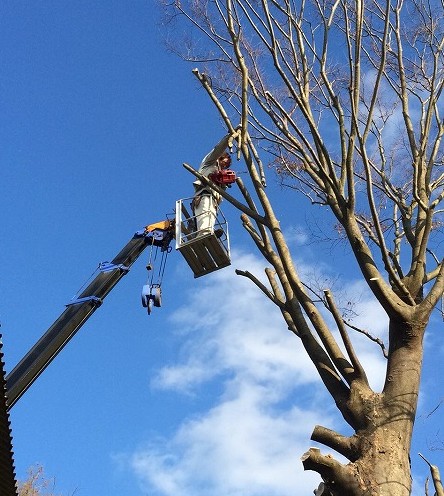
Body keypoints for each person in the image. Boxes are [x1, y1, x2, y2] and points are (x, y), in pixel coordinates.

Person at [192, 130, 239, 235]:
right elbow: (219, 148)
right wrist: (229, 137)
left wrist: (223, 183)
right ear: (220, 158)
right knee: (204, 214)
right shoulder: (210, 162)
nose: (223, 168)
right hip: (203, 194)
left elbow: (221, 191)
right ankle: (204, 233)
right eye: (223, 164)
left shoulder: (219, 174)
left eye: (225, 167)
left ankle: (209, 232)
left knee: (210, 215)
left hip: (214, 200)